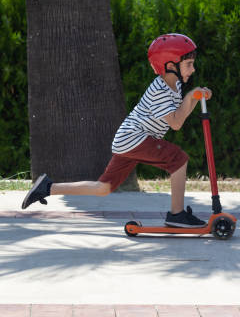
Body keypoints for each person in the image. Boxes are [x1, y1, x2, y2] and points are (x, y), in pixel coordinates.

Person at [21, 33, 211, 228]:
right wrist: (191, 98)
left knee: (103, 188)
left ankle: (46, 187)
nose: (193, 69)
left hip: (129, 140)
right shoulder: (160, 91)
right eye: (188, 64)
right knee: (178, 159)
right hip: (135, 138)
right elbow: (176, 123)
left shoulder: (176, 85)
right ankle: (176, 214)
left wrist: (195, 98)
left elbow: (179, 114)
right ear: (171, 66)